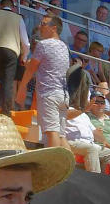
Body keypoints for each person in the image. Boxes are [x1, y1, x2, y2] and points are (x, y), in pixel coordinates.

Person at [17, 13, 70, 144]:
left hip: (49, 94)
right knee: (61, 136)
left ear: (54, 28)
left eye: (43, 24)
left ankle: (54, 165)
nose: (39, 26)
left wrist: (21, 88)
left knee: (52, 133)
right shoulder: (64, 47)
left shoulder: (44, 45)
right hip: (63, 95)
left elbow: (31, 69)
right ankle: (68, 165)